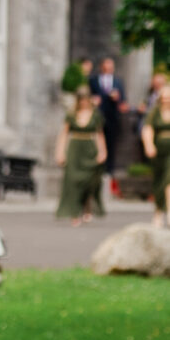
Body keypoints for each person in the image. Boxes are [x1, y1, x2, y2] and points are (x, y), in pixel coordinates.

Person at [55, 84, 108, 223]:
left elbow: (99, 134)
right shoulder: (71, 114)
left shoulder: (96, 114)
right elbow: (64, 134)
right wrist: (60, 152)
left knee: (90, 181)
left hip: (90, 148)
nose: (83, 102)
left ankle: (87, 206)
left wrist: (102, 151)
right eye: (81, 99)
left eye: (85, 99)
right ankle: (74, 213)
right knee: (73, 181)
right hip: (75, 149)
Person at [93, 56, 128, 191]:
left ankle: (109, 170)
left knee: (111, 144)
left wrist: (118, 98)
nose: (108, 69)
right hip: (98, 117)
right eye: (106, 67)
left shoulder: (118, 82)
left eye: (110, 67)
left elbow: (123, 101)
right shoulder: (93, 80)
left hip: (112, 117)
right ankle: (98, 168)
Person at [142, 67, 170, 231]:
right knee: (159, 181)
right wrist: (149, 145)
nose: (167, 100)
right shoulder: (155, 112)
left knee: (169, 180)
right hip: (159, 150)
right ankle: (159, 211)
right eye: (164, 97)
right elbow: (147, 129)